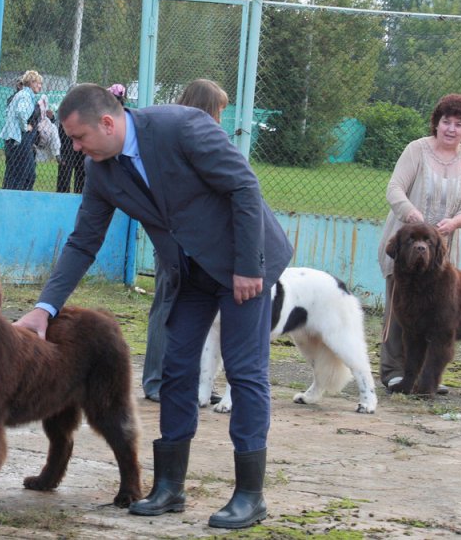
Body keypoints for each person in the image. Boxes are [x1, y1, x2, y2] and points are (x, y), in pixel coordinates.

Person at [15, 83, 292, 529]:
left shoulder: (181, 127)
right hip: (187, 275)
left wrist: (248, 266)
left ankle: (249, 496)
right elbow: (84, 241)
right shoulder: (102, 170)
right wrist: (45, 308)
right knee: (176, 370)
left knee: (244, 371)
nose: (76, 148)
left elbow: (243, 186)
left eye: (80, 138)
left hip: (243, 264)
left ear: (108, 123)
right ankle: (169, 487)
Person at [378, 93, 461, 393]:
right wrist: (410, 213)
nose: (451, 129)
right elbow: (394, 188)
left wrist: (456, 222)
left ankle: (428, 376)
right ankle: (394, 372)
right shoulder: (416, 150)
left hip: (442, 254)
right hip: (407, 243)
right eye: (445, 122)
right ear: (436, 123)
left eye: (458, 124)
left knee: (439, 317)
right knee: (399, 314)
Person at [143, 79, 229, 402]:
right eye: (218, 111)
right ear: (206, 109)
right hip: (174, 238)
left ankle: (195, 383)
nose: (220, 120)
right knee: (167, 304)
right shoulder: (181, 139)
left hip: (200, 241)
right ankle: (156, 382)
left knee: (197, 314)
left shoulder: (192, 137)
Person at [1, 70, 44, 190]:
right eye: (38, 83)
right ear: (31, 82)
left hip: (14, 138)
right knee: (23, 174)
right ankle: (16, 198)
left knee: (20, 173)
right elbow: (20, 112)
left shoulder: (22, 95)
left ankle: (14, 195)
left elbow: (9, 111)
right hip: (18, 139)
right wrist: (25, 126)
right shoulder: (25, 95)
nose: (40, 86)